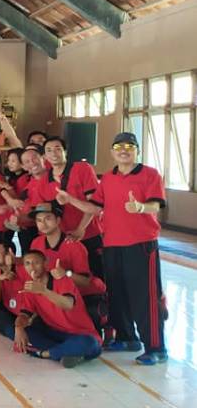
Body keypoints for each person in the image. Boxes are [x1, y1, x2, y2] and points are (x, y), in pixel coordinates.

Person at [56, 132, 167, 365]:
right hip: (111, 244)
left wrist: (140, 207)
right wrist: (70, 200)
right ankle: (127, 338)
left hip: (141, 245)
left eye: (129, 146)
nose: (124, 150)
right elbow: (95, 208)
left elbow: (156, 205)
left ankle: (156, 348)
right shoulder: (107, 178)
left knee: (144, 297)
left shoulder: (150, 174)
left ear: (137, 151)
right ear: (112, 152)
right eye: (118, 147)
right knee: (117, 293)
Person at [13, 250, 102, 369]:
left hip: (80, 333)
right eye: (27, 263)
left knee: (92, 344)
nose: (32, 267)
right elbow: (25, 314)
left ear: (45, 264)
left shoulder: (61, 279)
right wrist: (18, 327)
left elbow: (67, 304)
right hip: (55, 333)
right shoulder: (30, 287)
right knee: (25, 332)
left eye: (36, 263)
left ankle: (45, 354)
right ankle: (67, 352)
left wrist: (44, 291)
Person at [30, 136, 103, 277]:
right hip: (64, 240)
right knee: (67, 277)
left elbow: (95, 207)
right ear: (45, 156)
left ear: (65, 152)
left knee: (95, 277)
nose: (54, 153)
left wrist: (80, 229)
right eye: (49, 150)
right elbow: (41, 212)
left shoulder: (82, 169)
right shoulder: (43, 182)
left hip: (89, 233)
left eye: (58, 149)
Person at [28, 203, 107, 331]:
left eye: (48, 218)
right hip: (56, 294)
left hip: (82, 295)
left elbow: (85, 282)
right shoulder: (36, 243)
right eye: (39, 220)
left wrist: (66, 274)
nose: (43, 224)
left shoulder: (74, 245)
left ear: (58, 220)